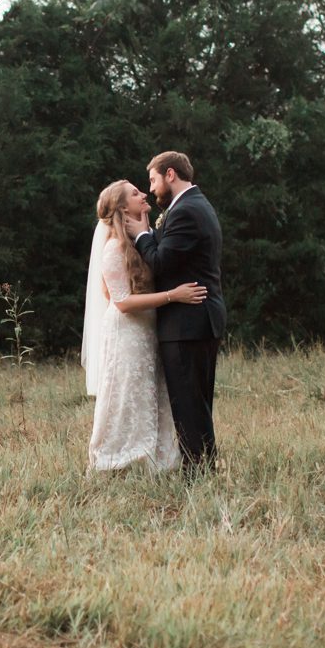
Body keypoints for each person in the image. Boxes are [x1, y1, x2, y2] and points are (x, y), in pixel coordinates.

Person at [83, 180, 206, 473]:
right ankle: (117, 459)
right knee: (127, 394)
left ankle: (156, 458)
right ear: (123, 207)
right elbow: (122, 301)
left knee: (151, 393)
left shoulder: (144, 239)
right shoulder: (113, 248)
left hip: (149, 329)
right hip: (126, 331)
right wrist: (172, 296)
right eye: (136, 193)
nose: (144, 194)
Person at [124, 151, 225, 478]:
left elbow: (162, 262)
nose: (151, 189)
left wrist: (141, 235)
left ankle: (198, 476)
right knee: (197, 402)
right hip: (200, 319)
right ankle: (206, 469)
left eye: (153, 179)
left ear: (170, 174)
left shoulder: (184, 211)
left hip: (187, 322)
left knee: (188, 404)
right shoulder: (198, 205)